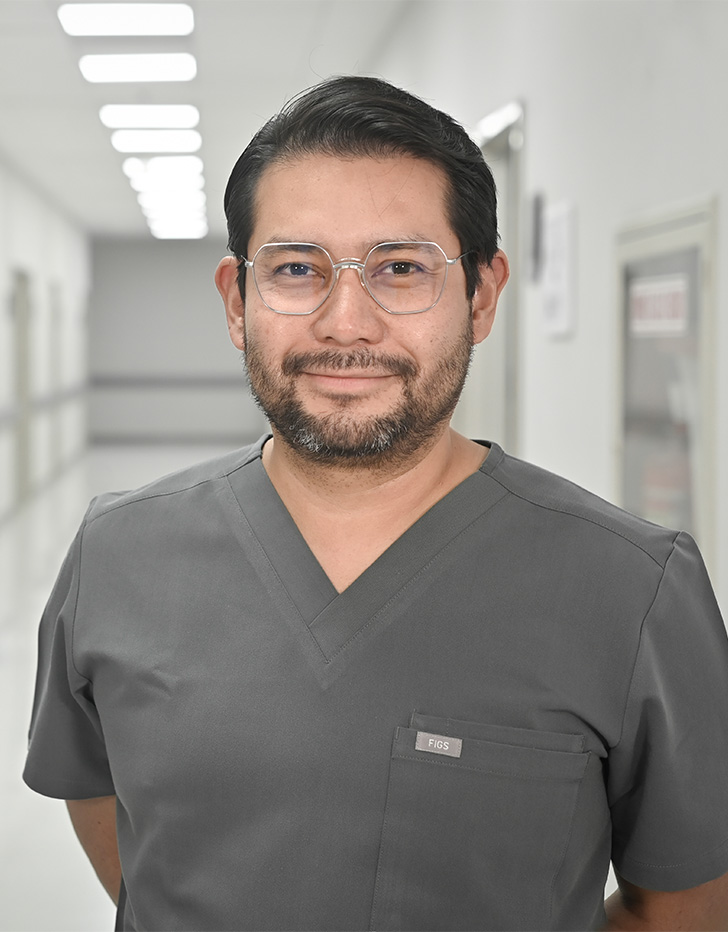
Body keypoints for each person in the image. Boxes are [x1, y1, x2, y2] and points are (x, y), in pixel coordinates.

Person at [23, 75, 728, 932]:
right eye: (294, 269)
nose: (345, 323)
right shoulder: (119, 554)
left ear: (481, 295)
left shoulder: (633, 590)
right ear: (237, 301)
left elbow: (684, 902)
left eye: (400, 268)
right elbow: (105, 802)